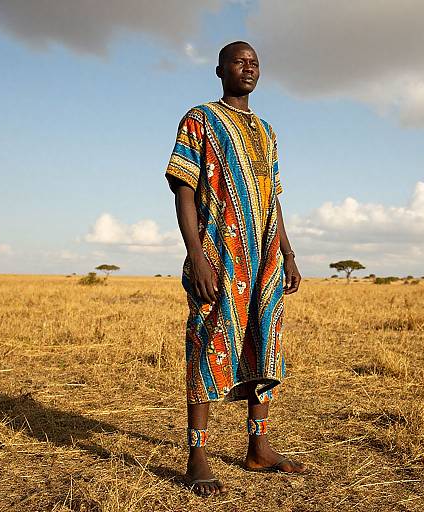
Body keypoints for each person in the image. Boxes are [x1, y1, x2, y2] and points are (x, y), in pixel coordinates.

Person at [165, 41, 305, 497]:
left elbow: (273, 196)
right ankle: (197, 456)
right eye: (240, 62)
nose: (250, 68)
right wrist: (196, 254)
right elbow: (184, 190)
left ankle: (258, 448)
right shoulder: (199, 118)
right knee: (209, 344)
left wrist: (287, 251)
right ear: (220, 70)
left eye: (256, 62)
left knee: (265, 345)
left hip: (263, 258)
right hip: (219, 254)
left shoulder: (267, 130)